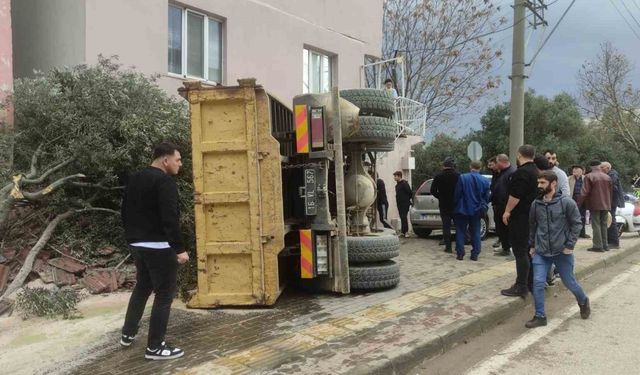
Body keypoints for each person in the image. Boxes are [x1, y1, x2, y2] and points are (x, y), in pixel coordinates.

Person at [120, 142, 189, 360]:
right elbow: (170, 219)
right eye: (178, 160)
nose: (180, 164)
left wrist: (133, 239)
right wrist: (179, 249)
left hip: (138, 245)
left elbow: (124, 212)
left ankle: (127, 333)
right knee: (164, 295)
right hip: (159, 247)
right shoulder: (164, 181)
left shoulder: (135, 178)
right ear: (165, 160)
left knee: (142, 288)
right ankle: (155, 347)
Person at [525, 170, 590, 328]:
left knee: (570, 282)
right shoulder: (536, 204)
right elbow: (533, 226)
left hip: (562, 252)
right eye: (538, 183)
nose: (539, 186)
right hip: (541, 251)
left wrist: (570, 245)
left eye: (542, 183)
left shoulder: (566, 202)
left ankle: (583, 301)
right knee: (538, 283)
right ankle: (540, 316)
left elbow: (577, 224)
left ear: (553, 184)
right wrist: (532, 245)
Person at [501, 145, 539, 297]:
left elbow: (515, 195)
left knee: (520, 251)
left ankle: (521, 286)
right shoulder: (536, 171)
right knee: (529, 251)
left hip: (521, 217)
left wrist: (507, 211)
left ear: (519, 155)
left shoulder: (522, 173)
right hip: (533, 216)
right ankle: (531, 283)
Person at [453, 161, 490, 261]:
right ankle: (475, 254)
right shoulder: (485, 181)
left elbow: (457, 194)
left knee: (460, 231)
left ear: (470, 167)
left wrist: (455, 205)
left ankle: (460, 254)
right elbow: (486, 197)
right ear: (480, 168)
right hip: (477, 209)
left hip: (462, 209)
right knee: (476, 232)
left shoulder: (463, 177)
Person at [577, 160, 612, 252]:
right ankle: (605, 245)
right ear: (599, 166)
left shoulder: (589, 176)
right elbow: (610, 192)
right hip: (606, 204)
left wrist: (578, 204)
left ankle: (597, 246)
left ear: (591, 167)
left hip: (595, 204)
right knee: (604, 224)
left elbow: (584, 192)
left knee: (596, 224)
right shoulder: (607, 177)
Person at [430, 157, 460, 253]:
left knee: (446, 226)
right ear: (452, 166)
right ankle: (459, 246)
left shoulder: (438, 176)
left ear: (444, 166)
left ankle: (448, 247)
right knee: (458, 226)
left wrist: (440, 196)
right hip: (456, 204)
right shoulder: (458, 175)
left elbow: (432, 190)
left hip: (444, 205)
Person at [491, 154, 516, 256]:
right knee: (500, 228)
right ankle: (505, 247)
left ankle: (508, 248)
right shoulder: (501, 173)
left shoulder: (511, 173)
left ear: (501, 162)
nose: (495, 165)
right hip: (498, 205)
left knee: (506, 228)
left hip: (505, 206)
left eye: (497, 162)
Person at [601, 161, 625, 249]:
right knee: (609, 220)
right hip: (610, 201)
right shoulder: (611, 174)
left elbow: (611, 188)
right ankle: (609, 241)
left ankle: (614, 242)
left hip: (611, 201)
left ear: (607, 168)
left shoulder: (612, 175)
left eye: (602, 167)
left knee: (611, 221)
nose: (600, 169)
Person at [569, 165, 590, 238]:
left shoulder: (586, 178)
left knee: (582, 216)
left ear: (581, 171)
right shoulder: (569, 178)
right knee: (572, 216)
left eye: (576, 169)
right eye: (573, 169)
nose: (574, 170)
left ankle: (582, 233)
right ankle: (573, 233)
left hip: (583, 200)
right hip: (572, 199)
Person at [394, 171, 413, 237]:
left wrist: (407, 200)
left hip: (405, 203)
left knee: (404, 216)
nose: (394, 177)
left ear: (399, 176)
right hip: (399, 204)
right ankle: (403, 232)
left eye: (395, 176)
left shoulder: (404, 183)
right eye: (394, 176)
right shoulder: (397, 185)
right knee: (402, 217)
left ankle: (406, 232)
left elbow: (410, 192)